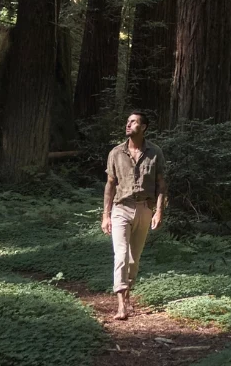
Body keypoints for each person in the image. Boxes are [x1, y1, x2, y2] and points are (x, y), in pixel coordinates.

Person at [101, 111, 168, 320]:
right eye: (127, 122)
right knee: (120, 256)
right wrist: (106, 215)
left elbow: (161, 185)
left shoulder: (155, 152)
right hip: (121, 208)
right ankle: (121, 304)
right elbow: (110, 185)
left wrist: (158, 211)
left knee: (133, 259)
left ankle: (127, 294)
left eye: (133, 122)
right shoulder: (116, 153)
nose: (128, 125)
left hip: (145, 209)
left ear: (144, 127)